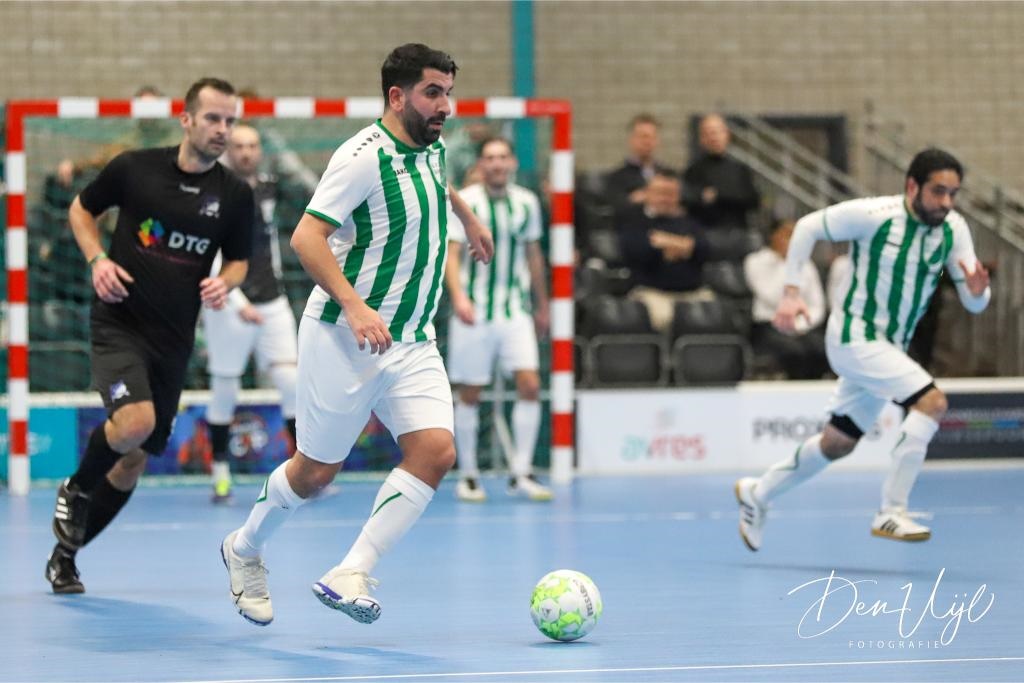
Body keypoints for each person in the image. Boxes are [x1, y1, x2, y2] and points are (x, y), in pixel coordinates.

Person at [220, 43, 494, 627]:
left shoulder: (433, 144)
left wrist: (467, 217)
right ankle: (243, 548)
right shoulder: (360, 158)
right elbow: (306, 238)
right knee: (314, 473)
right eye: (433, 93)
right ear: (397, 96)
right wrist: (355, 306)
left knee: (436, 452)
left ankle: (351, 570)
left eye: (448, 92)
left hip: (413, 339)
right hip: (344, 337)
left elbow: (435, 182)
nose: (445, 105)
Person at [46, 78, 254, 593]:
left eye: (229, 120)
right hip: (119, 323)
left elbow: (239, 262)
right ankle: (76, 486)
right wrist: (97, 260)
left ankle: (65, 557)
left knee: (134, 459)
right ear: (186, 120)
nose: (222, 129)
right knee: (135, 423)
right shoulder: (134, 169)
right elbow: (81, 209)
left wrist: (225, 283)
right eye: (213, 118)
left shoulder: (234, 195)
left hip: (174, 340)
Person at [734, 148, 991, 551]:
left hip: (890, 348)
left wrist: (977, 292)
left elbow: (975, 303)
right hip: (854, 337)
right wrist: (790, 293)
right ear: (912, 186)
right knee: (932, 402)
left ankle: (758, 493)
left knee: (838, 442)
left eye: (953, 194)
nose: (946, 202)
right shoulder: (875, 215)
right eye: (938, 191)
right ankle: (892, 510)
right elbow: (807, 227)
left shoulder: (954, 230)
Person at [445, 136, 553, 503]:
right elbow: (452, 254)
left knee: (530, 385)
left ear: (512, 163)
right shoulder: (465, 201)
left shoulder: (527, 202)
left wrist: (542, 305)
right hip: (474, 312)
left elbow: (533, 254)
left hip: (515, 311)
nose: (497, 163)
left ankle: (521, 472)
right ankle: (469, 475)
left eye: (503, 157)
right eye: (490, 157)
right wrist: (459, 298)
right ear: (481, 164)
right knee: (470, 393)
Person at [202, 123, 299, 503]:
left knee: (292, 382)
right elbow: (208, 253)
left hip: (273, 301)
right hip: (228, 304)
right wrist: (238, 302)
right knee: (225, 390)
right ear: (228, 151)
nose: (246, 152)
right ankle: (221, 476)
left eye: (252, 146)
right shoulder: (212, 193)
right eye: (239, 146)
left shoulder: (269, 188)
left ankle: (302, 475)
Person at [617, 170, 712, 333]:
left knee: (715, 316)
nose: (665, 199)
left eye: (670, 194)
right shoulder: (633, 221)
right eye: (660, 193)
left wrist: (665, 242)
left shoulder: (690, 223)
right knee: (665, 319)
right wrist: (684, 246)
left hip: (693, 293)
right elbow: (638, 252)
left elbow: (704, 250)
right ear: (647, 193)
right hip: (651, 293)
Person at [744, 218, 829, 379]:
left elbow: (817, 304)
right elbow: (773, 297)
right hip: (769, 325)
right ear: (773, 236)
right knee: (794, 352)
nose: (791, 240)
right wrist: (787, 263)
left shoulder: (806, 264)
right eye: (787, 234)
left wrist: (802, 324)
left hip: (802, 324)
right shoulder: (756, 261)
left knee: (821, 349)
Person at [682, 114, 760, 228]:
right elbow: (688, 200)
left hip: (737, 230)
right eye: (708, 133)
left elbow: (753, 201)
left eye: (717, 132)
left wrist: (717, 196)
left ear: (727, 135)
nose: (713, 138)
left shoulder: (740, 169)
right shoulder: (693, 171)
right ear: (701, 139)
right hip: (705, 231)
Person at [604, 113, 675, 217]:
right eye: (643, 137)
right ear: (631, 140)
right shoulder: (618, 178)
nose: (647, 142)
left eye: (652, 137)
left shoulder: (669, 174)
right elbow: (615, 206)